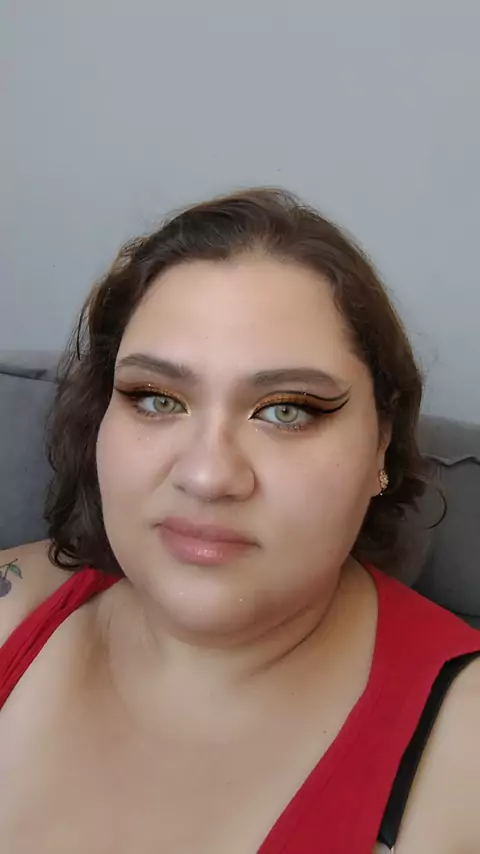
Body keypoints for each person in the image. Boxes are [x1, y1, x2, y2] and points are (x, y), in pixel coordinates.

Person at [0, 189, 479, 854]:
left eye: (288, 410)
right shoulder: (14, 608)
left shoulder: (463, 749)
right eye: (156, 398)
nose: (207, 475)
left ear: (381, 443)